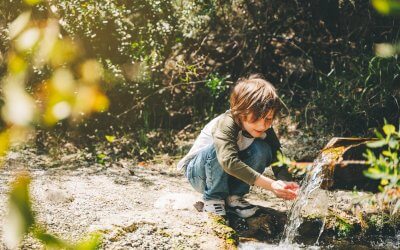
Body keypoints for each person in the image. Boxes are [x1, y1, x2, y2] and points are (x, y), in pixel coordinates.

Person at [177, 74, 299, 218]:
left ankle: (234, 198)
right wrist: (271, 185)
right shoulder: (226, 123)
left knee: (264, 149)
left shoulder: (265, 129)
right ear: (240, 113)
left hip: (227, 175)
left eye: (268, 118)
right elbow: (228, 161)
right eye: (256, 118)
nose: (262, 125)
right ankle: (213, 198)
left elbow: (278, 156)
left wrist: (285, 183)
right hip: (198, 174)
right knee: (219, 151)